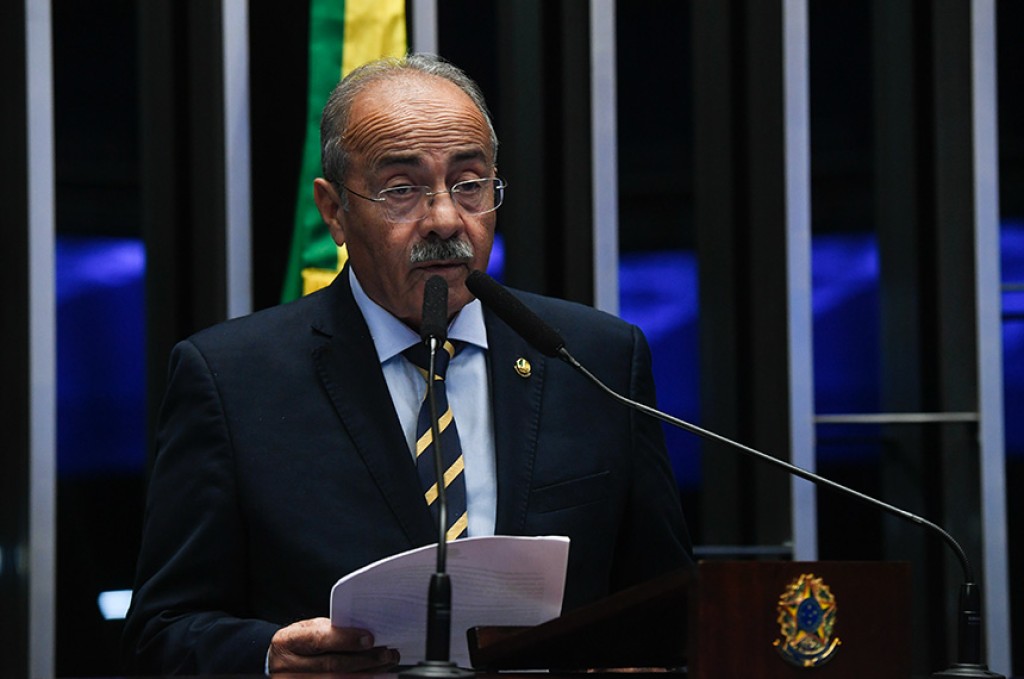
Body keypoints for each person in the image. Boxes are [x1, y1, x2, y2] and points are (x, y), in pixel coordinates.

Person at [123, 53, 693, 676]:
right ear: (334, 211)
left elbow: (667, 609)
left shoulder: (593, 359)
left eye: (470, 184)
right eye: (401, 189)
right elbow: (163, 633)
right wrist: (268, 658)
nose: (445, 219)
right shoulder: (232, 380)